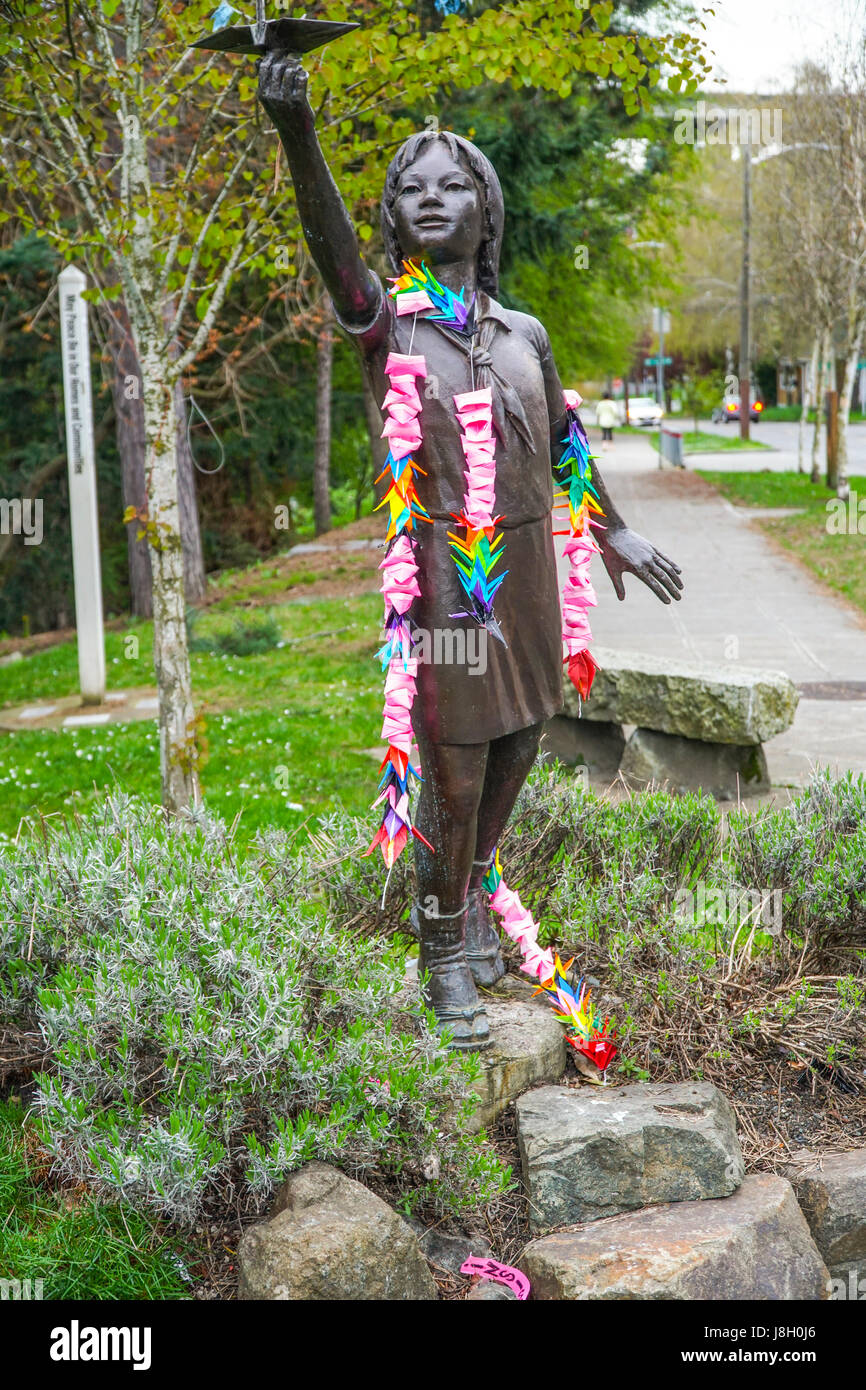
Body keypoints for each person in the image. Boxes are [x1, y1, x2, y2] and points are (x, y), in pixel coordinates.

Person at [258, 54, 684, 1049]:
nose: (432, 197)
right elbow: (332, 258)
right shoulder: (387, 328)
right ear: (394, 220)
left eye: (453, 184)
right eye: (411, 188)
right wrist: (297, 135)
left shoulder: (525, 330)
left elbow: (566, 439)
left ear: (484, 211)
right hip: (449, 580)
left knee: (519, 743)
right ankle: (439, 945)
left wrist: (612, 527)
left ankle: (470, 899)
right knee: (452, 765)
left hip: (530, 572)